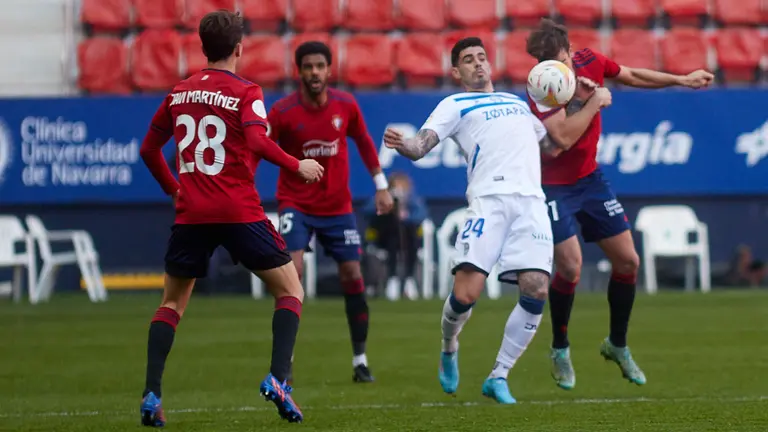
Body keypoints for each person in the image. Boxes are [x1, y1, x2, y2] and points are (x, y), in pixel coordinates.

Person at [137, 11, 324, 426]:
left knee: (171, 303)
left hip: (192, 215)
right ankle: (278, 379)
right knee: (290, 291)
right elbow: (258, 139)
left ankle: (152, 393)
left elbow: (148, 151)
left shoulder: (178, 93)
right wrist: (297, 165)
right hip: (239, 211)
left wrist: (175, 189)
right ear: (239, 48)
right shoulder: (246, 90)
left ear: (203, 48)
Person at [525, 18, 714, 391]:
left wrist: (680, 79)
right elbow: (561, 138)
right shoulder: (541, 86)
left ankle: (617, 344)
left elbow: (630, 75)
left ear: (570, 49)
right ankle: (560, 347)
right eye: (548, 61)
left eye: (561, 59)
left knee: (628, 261)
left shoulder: (589, 60)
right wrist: (594, 101)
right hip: (552, 186)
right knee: (571, 265)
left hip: (590, 179)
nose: (557, 68)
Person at [383, 37, 554, 404]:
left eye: (482, 58)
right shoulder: (455, 104)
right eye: (468, 60)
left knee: (537, 286)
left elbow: (552, 146)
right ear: (456, 71)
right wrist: (403, 143)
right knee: (465, 295)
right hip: (488, 202)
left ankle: (499, 374)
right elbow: (420, 147)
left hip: (531, 203)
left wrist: (571, 103)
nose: (478, 64)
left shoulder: (518, 103)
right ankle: (449, 346)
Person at [267, 41, 394, 383]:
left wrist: (381, 185)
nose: (314, 73)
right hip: (295, 202)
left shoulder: (345, 105)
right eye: (308, 66)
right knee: (291, 275)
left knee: (353, 274)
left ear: (329, 69)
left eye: (320, 66)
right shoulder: (282, 112)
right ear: (299, 71)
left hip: (338, 206)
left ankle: (360, 360)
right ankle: (285, 364)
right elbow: (259, 146)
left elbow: (365, 142)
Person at [363, 172, 428, 300]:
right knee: (393, 234)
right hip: (385, 240)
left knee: (411, 238)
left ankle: (409, 279)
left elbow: (421, 214)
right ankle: (392, 279)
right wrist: (388, 202)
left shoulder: (412, 200)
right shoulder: (383, 196)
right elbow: (367, 211)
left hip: (407, 241)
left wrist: (406, 213)